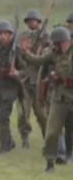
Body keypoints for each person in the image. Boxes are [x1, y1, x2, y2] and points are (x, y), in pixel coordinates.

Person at [23, 27, 73, 171]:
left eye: (58, 43)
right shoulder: (53, 53)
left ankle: (69, 155)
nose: (56, 46)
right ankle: (50, 161)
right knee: (51, 131)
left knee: (71, 131)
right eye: (55, 44)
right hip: (59, 99)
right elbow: (38, 61)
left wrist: (63, 78)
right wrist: (26, 52)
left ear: (66, 41)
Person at [0, 20, 25, 154]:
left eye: (5, 34)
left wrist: (17, 73)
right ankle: (9, 141)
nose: (3, 36)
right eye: (0, 34)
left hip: (10, 87)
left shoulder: (16, 51)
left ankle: (4, 146)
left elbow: (26, 70)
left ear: (10, 35)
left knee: (3, 115)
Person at [23, 9, 51, 137]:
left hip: (39, 79)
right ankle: (25, 138)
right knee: (23, 113)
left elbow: (48, 55)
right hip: (25, 79)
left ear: (38, 22)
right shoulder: (22, 36)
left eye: (34, 20)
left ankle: (47, 136)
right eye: (29, 20)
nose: (31, 22)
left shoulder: (46, 36)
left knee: (41, 114)